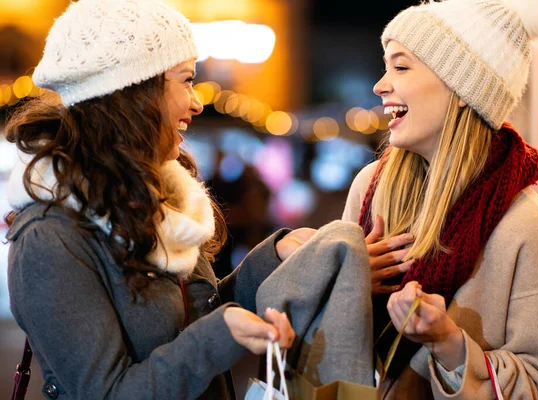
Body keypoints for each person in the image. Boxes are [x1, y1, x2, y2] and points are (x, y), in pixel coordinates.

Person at [4, 0, 309, 398]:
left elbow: (192, 315)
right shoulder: (50, 237)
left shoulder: (157, 200)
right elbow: (108, 392)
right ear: (136, 94)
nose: (197, 102)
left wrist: (274, 256)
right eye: (185, 80)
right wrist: (217, 337)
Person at [342, 0, 538, 398]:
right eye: (386, 66)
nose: (380, 85)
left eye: (401, 66)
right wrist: (345, 282)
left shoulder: (529, 228)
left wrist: (449, 345)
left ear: (461, 88)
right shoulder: (371, 188)